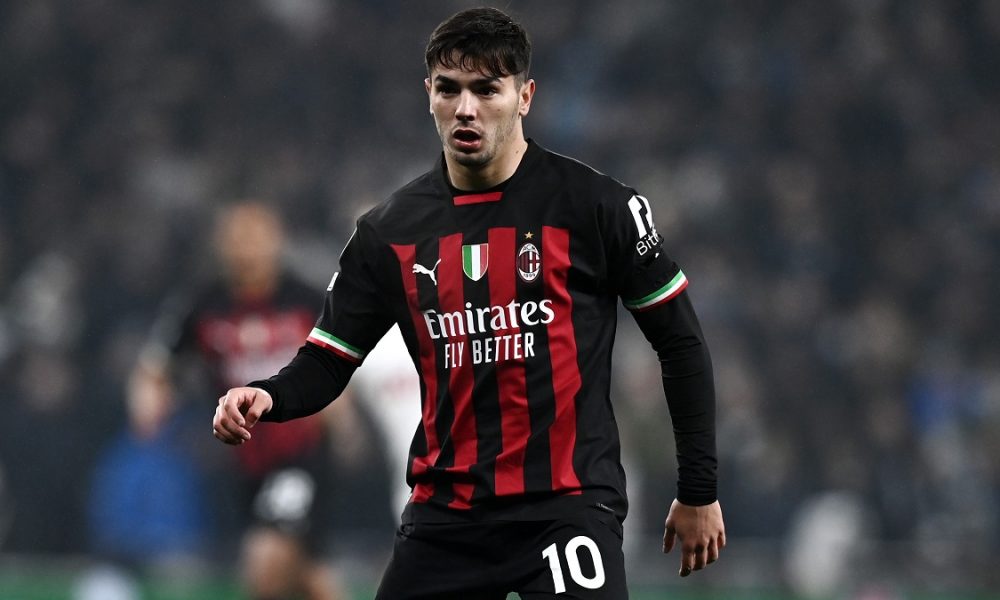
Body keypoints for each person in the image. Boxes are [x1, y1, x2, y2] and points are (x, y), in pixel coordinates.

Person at [213, 7, 725, 598]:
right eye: (449, 89)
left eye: (486, 90)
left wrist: (698, 489)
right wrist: (270, 394)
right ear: (427, 95)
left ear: (524, 97)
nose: (465, 108)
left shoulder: (597, 208)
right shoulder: (387, 233)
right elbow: (329, 359)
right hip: (446, 520)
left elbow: (680, 342)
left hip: (566, 509)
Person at [135, 201, 358, 600]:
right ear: (221, 246)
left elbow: (333, 364)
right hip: (244, 460)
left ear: (277, 242)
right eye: (238, 239)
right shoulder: (204, 304)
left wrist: (342, 420)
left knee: (265, 564)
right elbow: (156, 365)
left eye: (256, 238)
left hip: (301, 454)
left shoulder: (305, 299)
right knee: (310, 576)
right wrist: (149, 404)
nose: (247, 249)